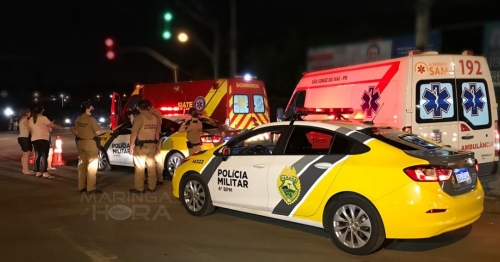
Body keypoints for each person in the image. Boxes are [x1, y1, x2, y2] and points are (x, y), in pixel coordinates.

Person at [129, 100, 159, 193]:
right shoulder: (155, 118)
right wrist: (156, 144)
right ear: (148, 107)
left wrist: (131, 145)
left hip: (141, 147)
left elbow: (134, 133)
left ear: (138, 107)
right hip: (152, 146)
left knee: (139, 167)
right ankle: (152, 187)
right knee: (151, 167)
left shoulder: (139, 118)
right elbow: (157, 133)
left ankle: (139, 188)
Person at [71, 101, 101, 194]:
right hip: (90, 143)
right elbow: (98, 132)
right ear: (87, 108)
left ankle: (81, 186)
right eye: (91, 107)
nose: (93, 109)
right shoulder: (91, 119)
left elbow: (75, 129)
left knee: (82, 165)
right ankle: (91, 188)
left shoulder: (78, 119)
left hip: (80, 143)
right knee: (92, 166)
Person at [27, 104, 61, 178]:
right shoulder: (43, 118)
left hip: (34, 139)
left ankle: (37, 171)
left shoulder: (31, 119)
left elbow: (30, 129)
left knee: (37, 155)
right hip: (43, 138)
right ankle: (45, 172)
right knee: (44, 155)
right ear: (42, 110)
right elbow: (51, 125)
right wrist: (58, 127)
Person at [146, 100, 165, 183]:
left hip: (155, 137)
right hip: (154, 137)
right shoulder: (154, 112)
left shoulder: (154, 113)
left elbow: (156, 127)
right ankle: (154, 178)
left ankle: (158, 179)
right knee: (154, 158)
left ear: (148, 106)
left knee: (156, 158)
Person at [18, 108, 34, 175]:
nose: (30, 113)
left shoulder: (21, 119)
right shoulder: (25, 120)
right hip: (24, 138)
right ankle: (26, 170)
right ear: (26, 113)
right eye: (29, 112)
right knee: (26, 154)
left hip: (22, 138)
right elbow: (30, 129)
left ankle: (24, 169)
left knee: (25, 154)